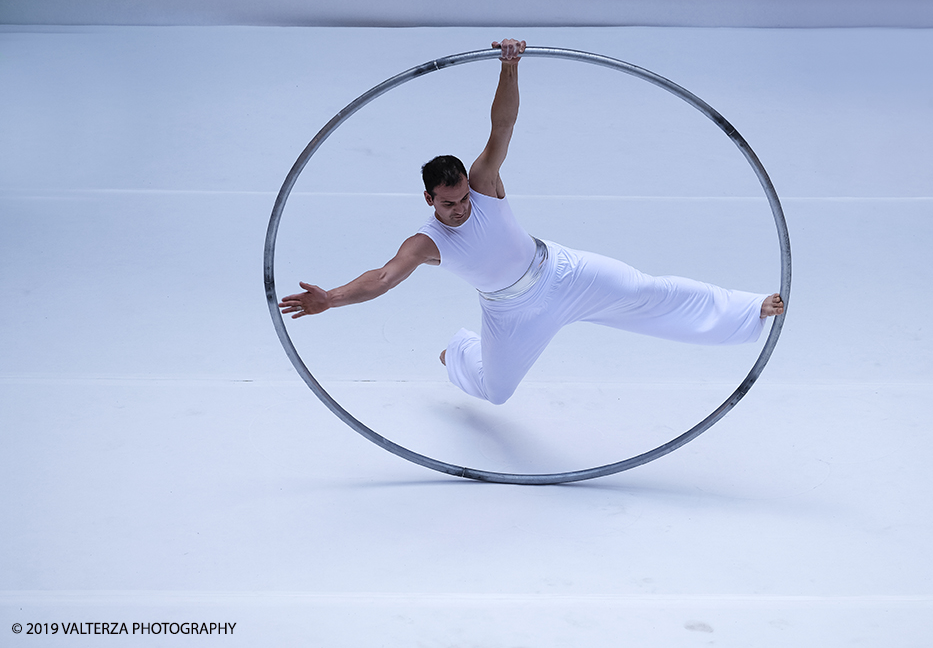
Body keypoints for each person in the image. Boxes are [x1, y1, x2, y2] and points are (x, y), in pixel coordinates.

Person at [279, 38, 784, 405]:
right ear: (429, 199)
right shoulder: (426, 242)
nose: (460, 209)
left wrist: (509, 66)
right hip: (510, 311)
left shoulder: (482, 184)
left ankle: (747, 307)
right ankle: (458, 354)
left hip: (563, 273)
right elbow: (383, 278)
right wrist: (332, 298)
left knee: (645, 291)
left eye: (462, 201)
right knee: (496, 393)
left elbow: (503, 124)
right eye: (449, 204)